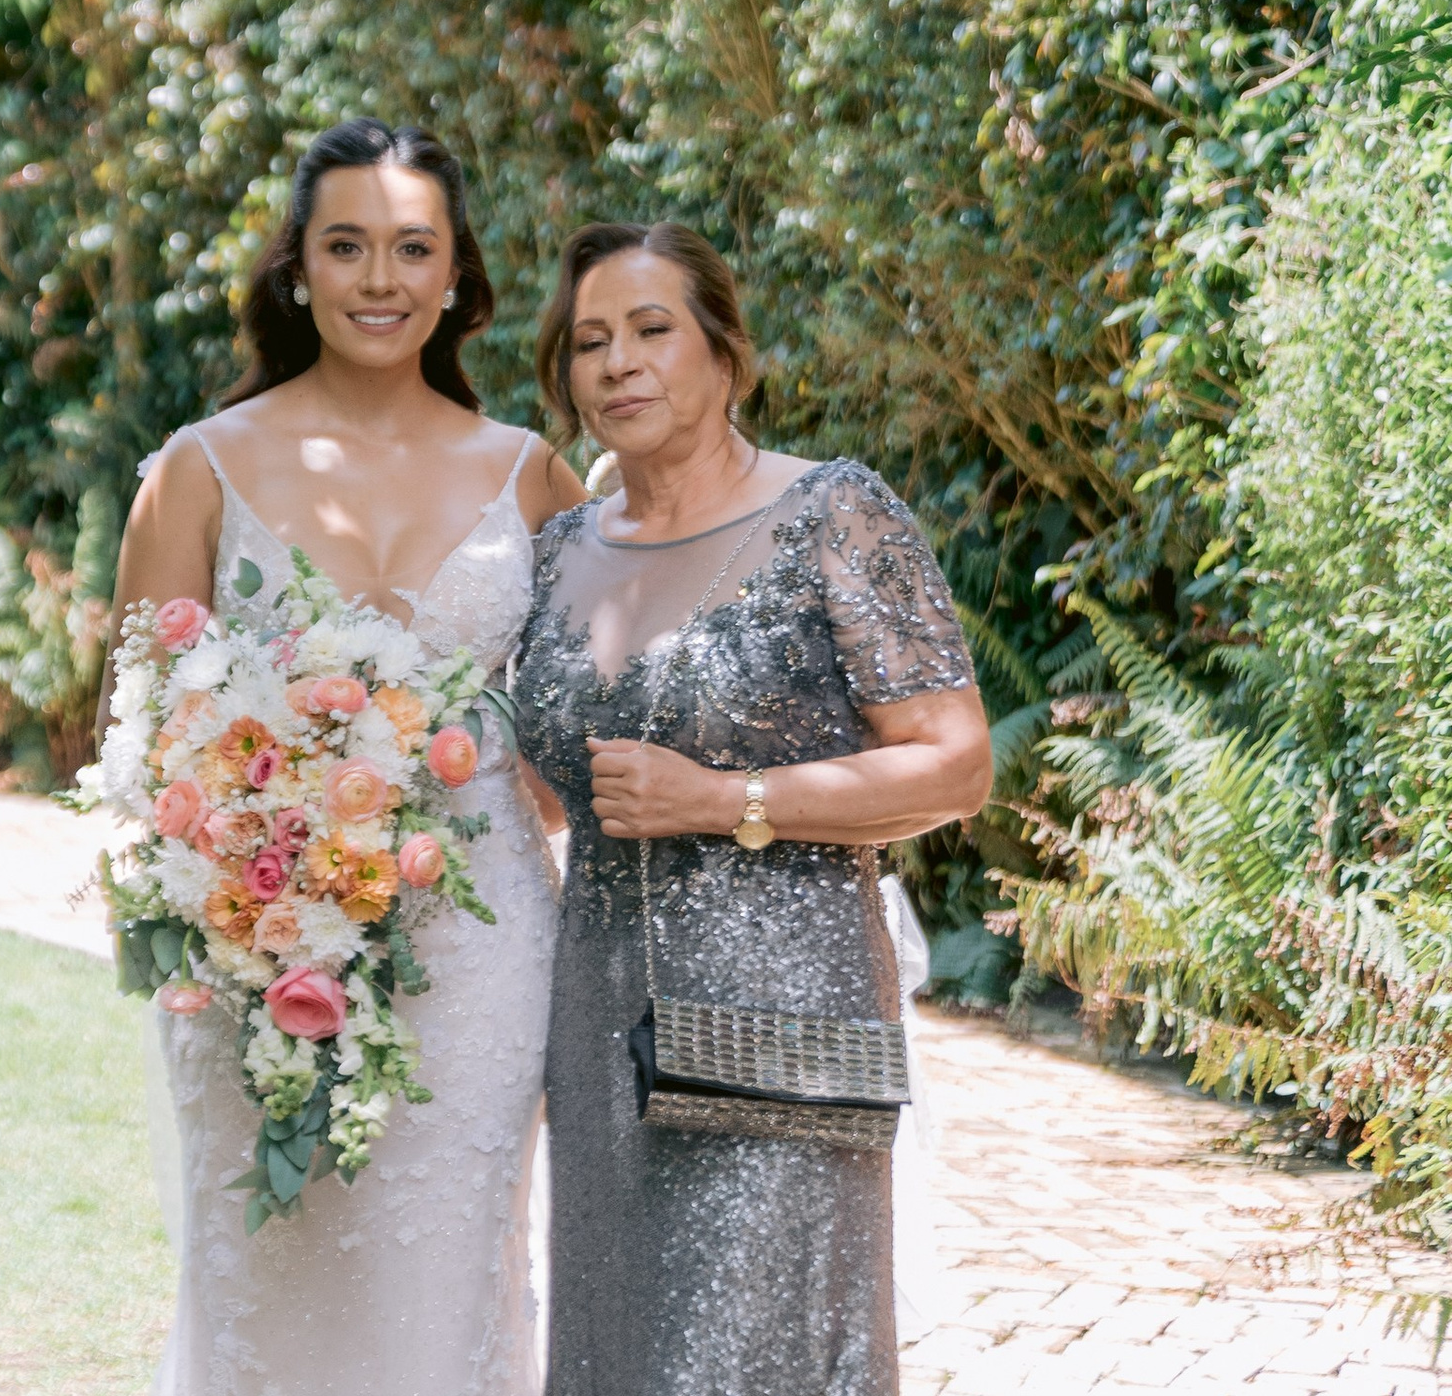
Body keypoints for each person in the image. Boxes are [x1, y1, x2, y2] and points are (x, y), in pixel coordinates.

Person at [113, 117, 583, 1396]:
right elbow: (143, 737)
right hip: (258, 946)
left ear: (454, 276)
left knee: (456, 1273)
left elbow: (574, 737)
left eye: (411, 248)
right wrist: (250, 890)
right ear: (298, 271)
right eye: (347, 246)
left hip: (480, 954)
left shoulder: (535, 477)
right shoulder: (197, 471)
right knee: (271, 1269)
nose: (380, 278)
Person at [510, 220, 993, 1396]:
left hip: (781, 1021)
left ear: (726, 355)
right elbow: (536, 784)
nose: (617, 361)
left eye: (650, 328)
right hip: (598, 1022)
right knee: (619, 1345)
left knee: (754, 1348)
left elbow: (953, 762)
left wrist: (725, 799)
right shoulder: (561, 547)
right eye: (587, 341)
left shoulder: (833, 513)